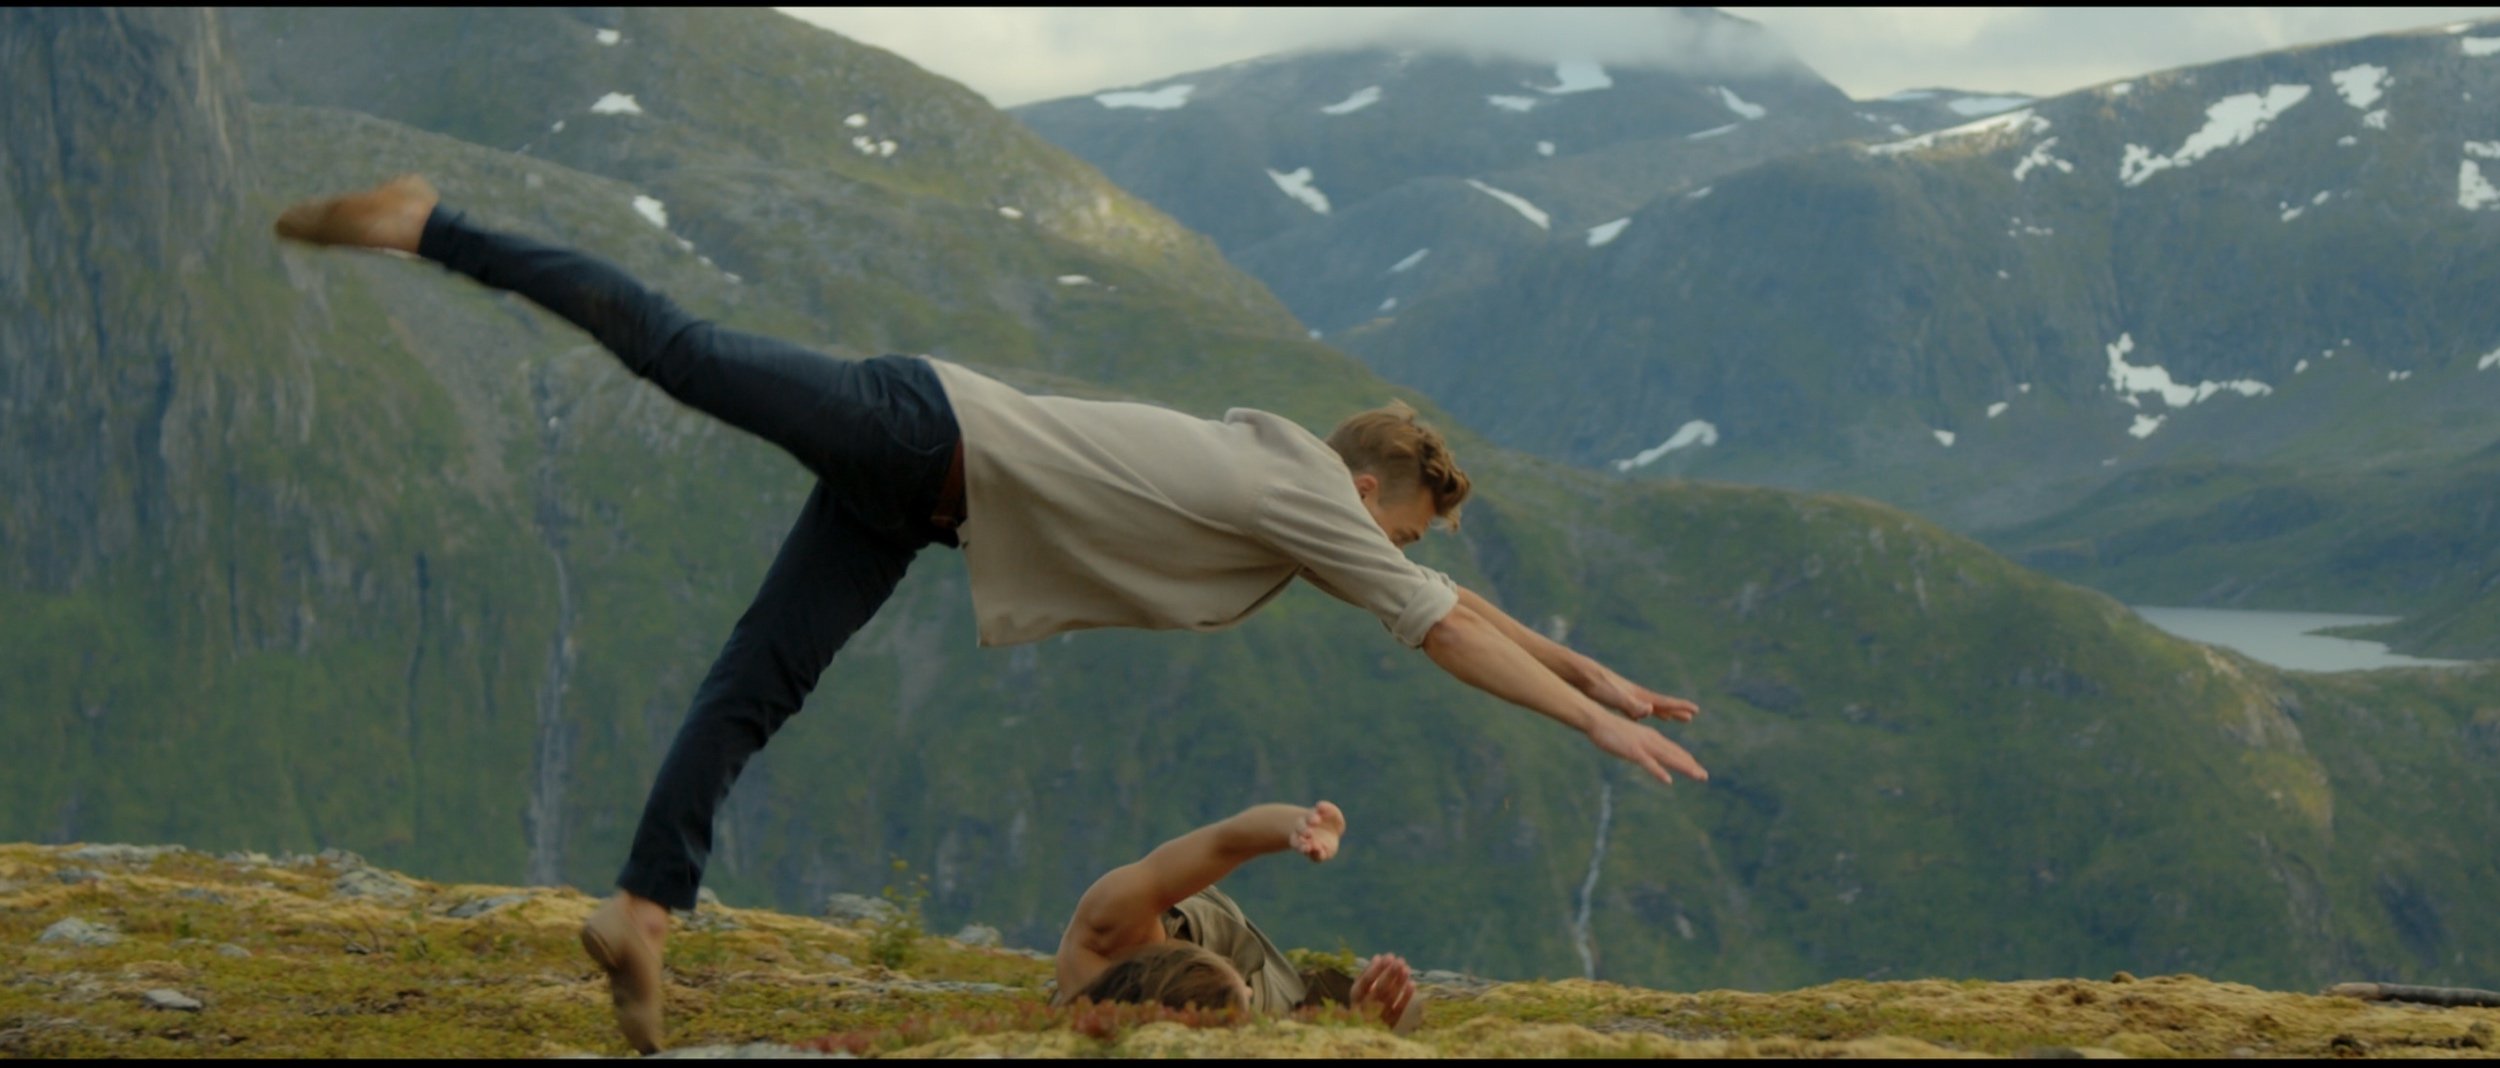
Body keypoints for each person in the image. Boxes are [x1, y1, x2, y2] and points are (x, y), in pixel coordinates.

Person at [273, 175, 1708, 1053]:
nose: (1391, 558)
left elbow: (1453, 602)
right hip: (921, 428)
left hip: (924, 496)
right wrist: (1590, 729)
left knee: (757, 681)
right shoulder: (1313, 495)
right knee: (683, 354)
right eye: (1400, 530)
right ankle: (431, 224)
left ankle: (643, 910)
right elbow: (1437, 622)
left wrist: (1600, 676)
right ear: (1371, 485)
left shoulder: (1303, 494)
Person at [1054, 799, 1422, 1033]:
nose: (1246, 988)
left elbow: (1227, 841)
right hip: (1275, 1006)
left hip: (1204, 934)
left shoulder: (1104, 930)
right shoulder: (1252, 1014)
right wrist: (1357, 1023)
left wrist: (1301, 826)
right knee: (1405, 1012)